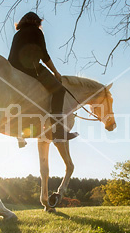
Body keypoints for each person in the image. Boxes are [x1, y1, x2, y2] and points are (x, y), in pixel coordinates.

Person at [8, 12, 78, 141]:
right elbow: (44, 55)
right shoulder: (35, 31)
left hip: (13, 69)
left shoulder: (17, 34)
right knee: (59, 91)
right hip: (31, 68)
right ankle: (58, 131)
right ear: (36, 22)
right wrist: (56, 72)